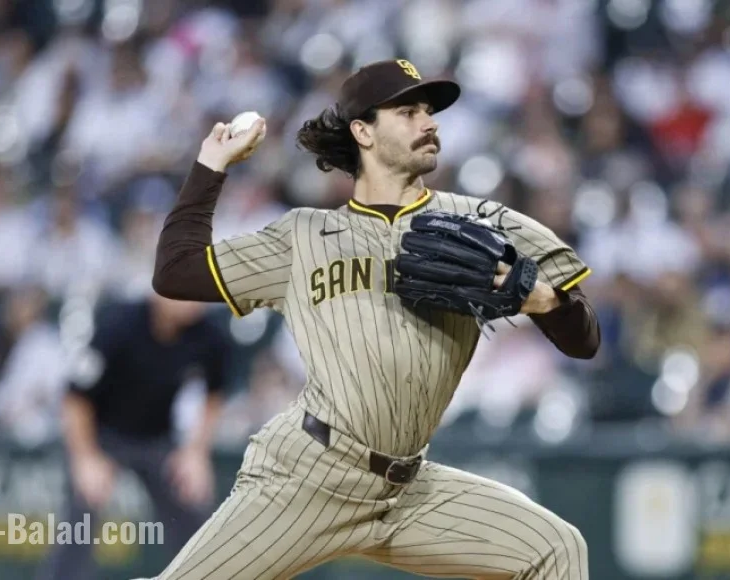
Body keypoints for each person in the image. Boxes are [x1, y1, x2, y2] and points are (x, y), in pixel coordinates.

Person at [150, 59, 600, 580]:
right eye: (408, 111)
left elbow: (584, 341)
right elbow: (175, 273)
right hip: (309, 475)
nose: (428, 122)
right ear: (362, 130)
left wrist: (550, 304)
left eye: (430, 111)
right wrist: (211, 165)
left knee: (556, 548)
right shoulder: (303, 237)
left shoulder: (483, 225)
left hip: (411, 489)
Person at [37, 293, 231, 580]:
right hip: (102, 435)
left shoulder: (209, 335)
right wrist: (85, 459)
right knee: (80, 515)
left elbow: (214, 395)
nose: (191, 299)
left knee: (192, 501)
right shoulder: (119, 324)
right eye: (181, 288)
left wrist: (196, 453)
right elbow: (75, 398)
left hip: (157, 437)